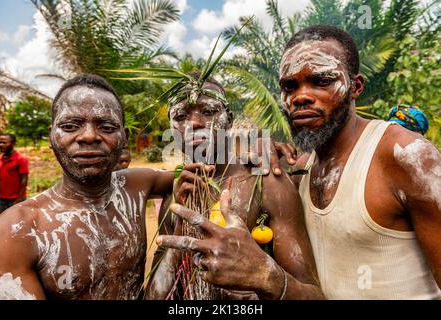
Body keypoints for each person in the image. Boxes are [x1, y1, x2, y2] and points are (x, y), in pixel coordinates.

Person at [158, 25, 441, 299]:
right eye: (290, 86)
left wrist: (264, 274)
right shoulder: (298, 167)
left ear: (355, 86)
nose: (300, 96)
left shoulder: (404, 154)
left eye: (321, 81)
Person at [0, 74, 175, 299]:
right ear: (52, 135)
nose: (89, 136)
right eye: (70, 126)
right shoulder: (14, 233)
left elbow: (202, 175)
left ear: (124, 137)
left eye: (106, 127)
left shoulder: (138, 185)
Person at [145, 73, 323, 300]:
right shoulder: (175, 194)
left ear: (229, 120)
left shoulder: (265, 180)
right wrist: (180, 234)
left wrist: (262, 274)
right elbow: (156, 294)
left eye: (208, 111)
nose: (194, 123)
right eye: (181, 115)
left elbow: (312, 294)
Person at [0, 134, 29, 214]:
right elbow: (1, 178)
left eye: (4, 142)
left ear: (13, 143)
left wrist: (19, 199)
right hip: (2, 199)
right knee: (3, 222)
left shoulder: (20, 159)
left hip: (15, 199)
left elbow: (24, 180)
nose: (1, 145)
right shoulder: (1, 159)